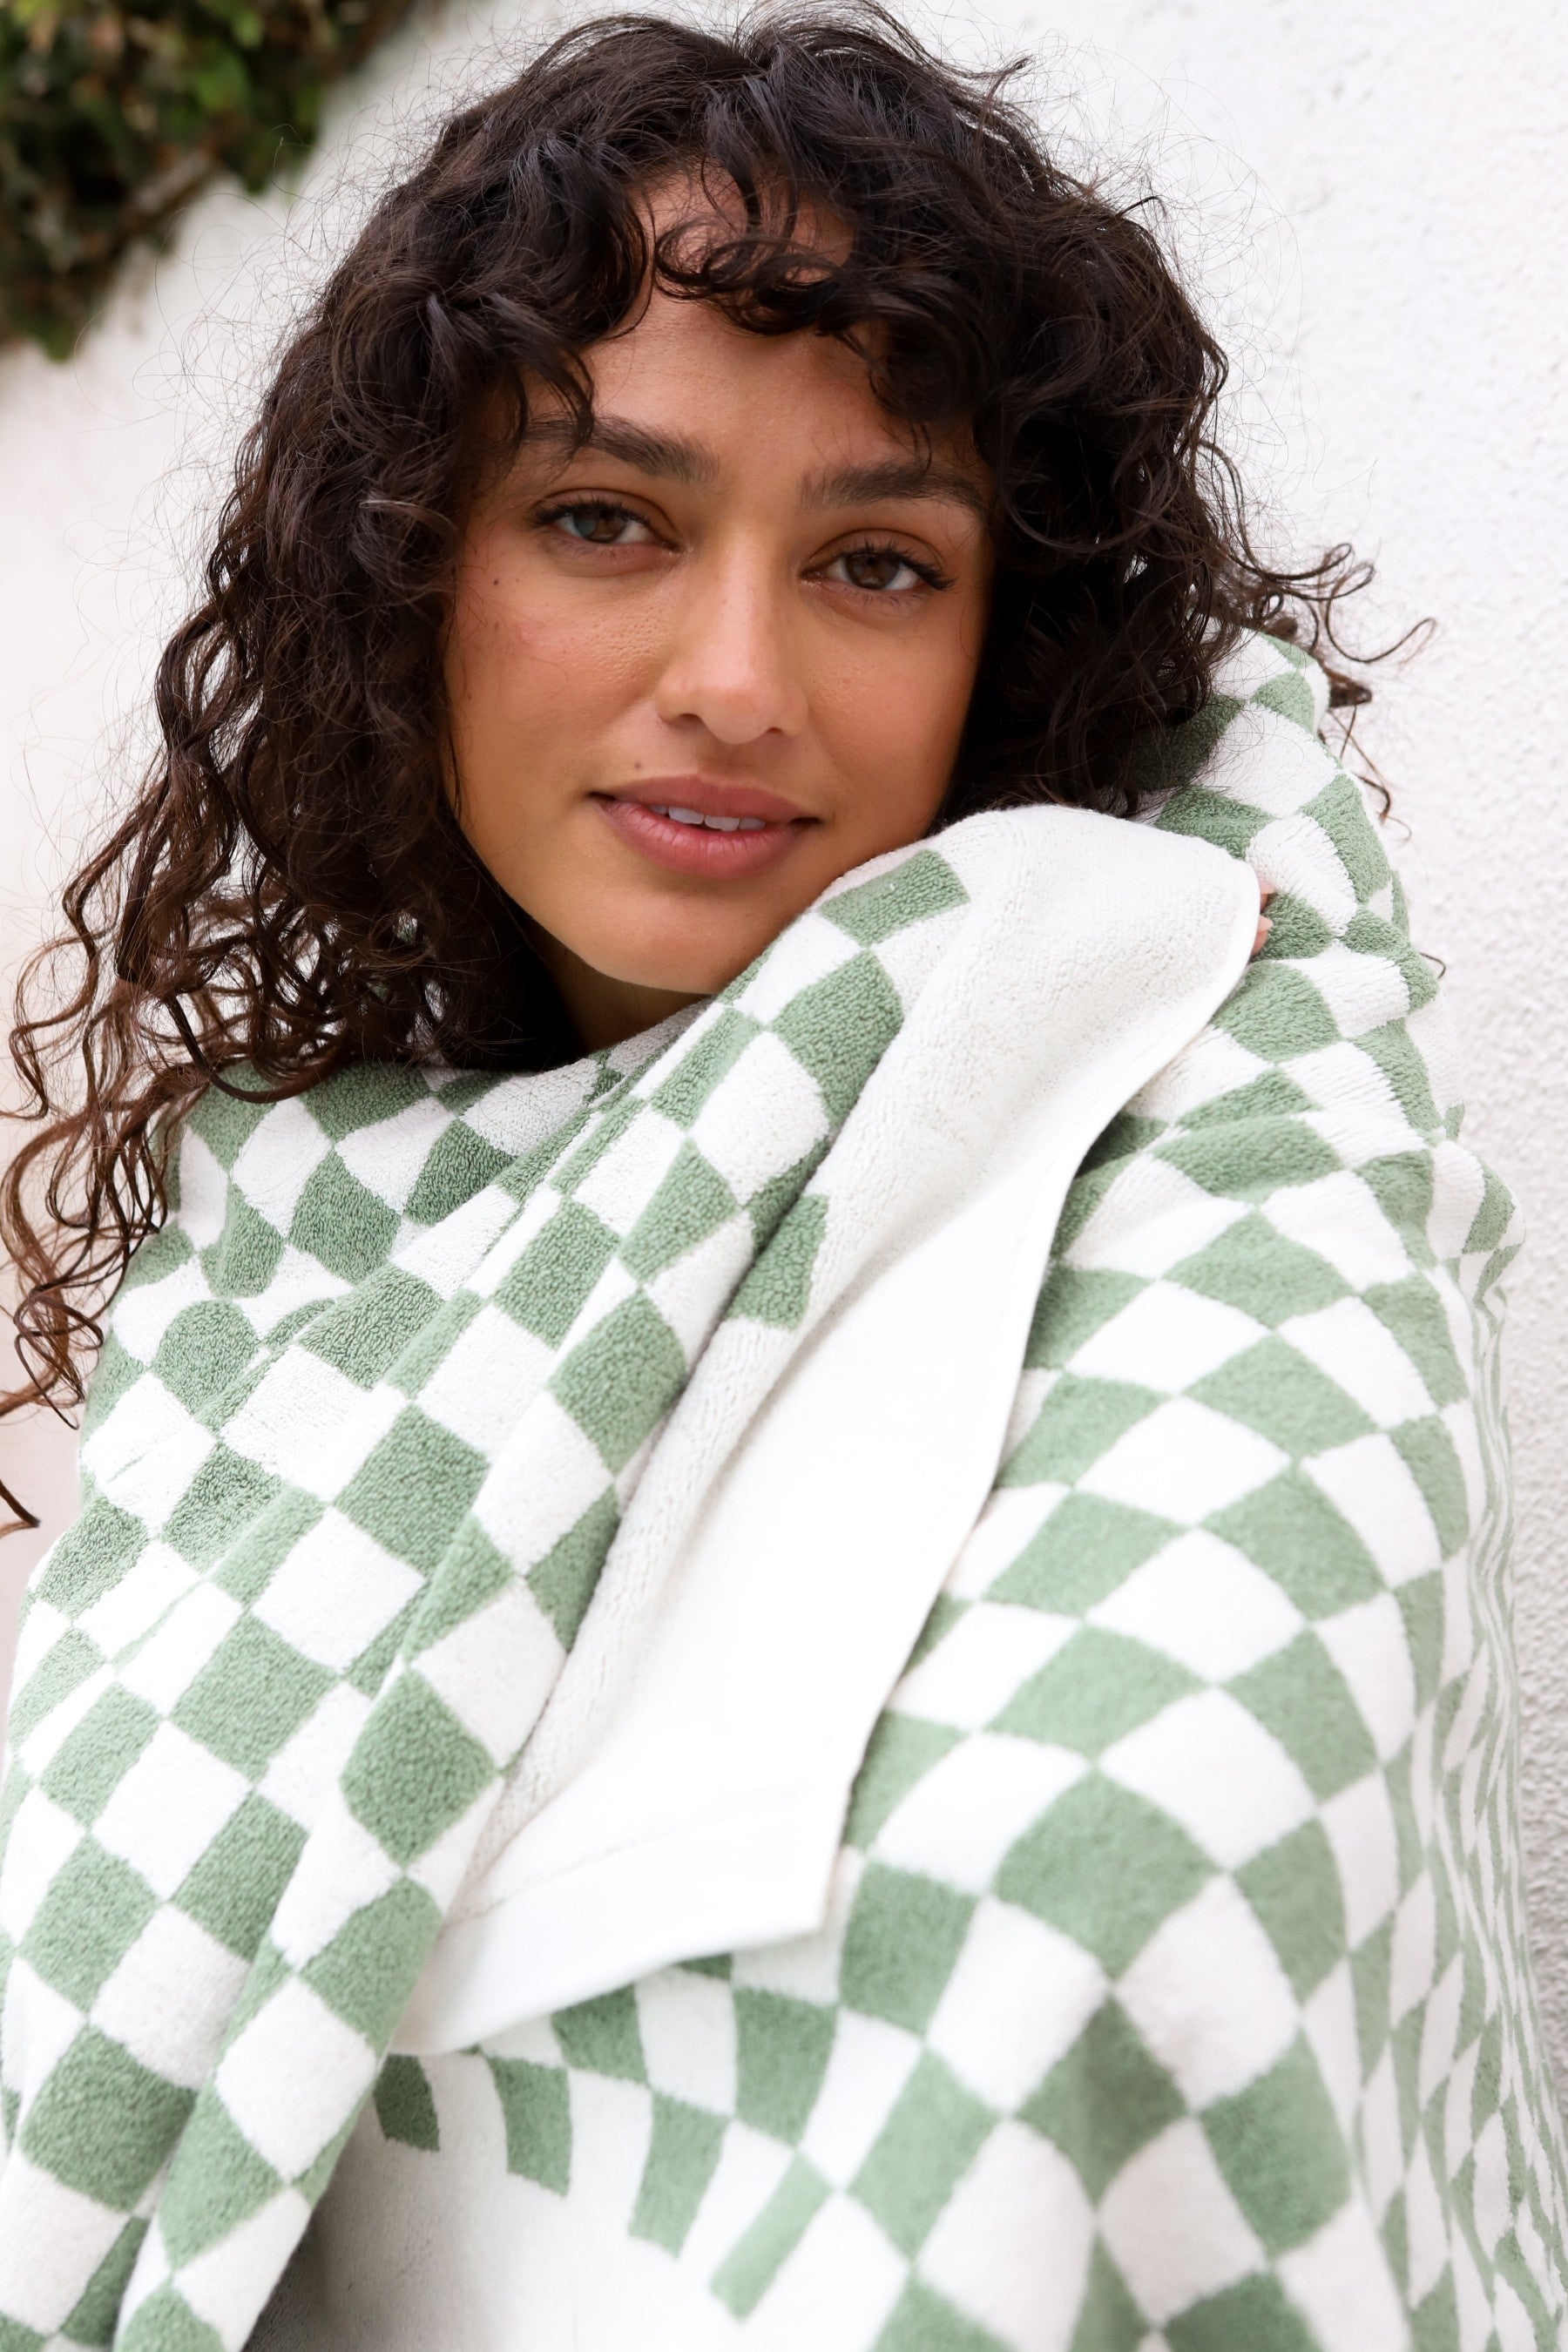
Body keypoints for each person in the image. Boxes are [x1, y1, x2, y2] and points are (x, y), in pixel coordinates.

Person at [1, 10, 1564, 2347]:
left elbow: (1145, 1872)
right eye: (605, 518)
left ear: (1004, 637)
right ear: (411, 572)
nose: (737, 677)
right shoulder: (292, 1254)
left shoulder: (1211, 1111)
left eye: (877, 561)